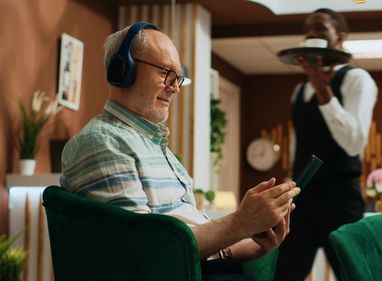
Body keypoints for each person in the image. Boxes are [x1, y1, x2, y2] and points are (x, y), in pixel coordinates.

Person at [60, 22, 300, 281]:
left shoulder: (158, 149)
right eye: (166, 72)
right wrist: (240, 222)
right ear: (123, 70)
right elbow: (145, 252)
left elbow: (199, 245)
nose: (174, 87)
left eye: (177, 78)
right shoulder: (104, 142)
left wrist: (260, 242)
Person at [275, 8, 378, 281]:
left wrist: (324, 90)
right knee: (284, 273)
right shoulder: (299, 90)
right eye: (308, 30)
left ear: (339, 38)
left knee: (354, 273)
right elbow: (299, 144)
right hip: (303, 198)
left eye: (320, 29)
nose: (312, 34)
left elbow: (354, 143)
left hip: (340, 198)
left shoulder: (358, 80)